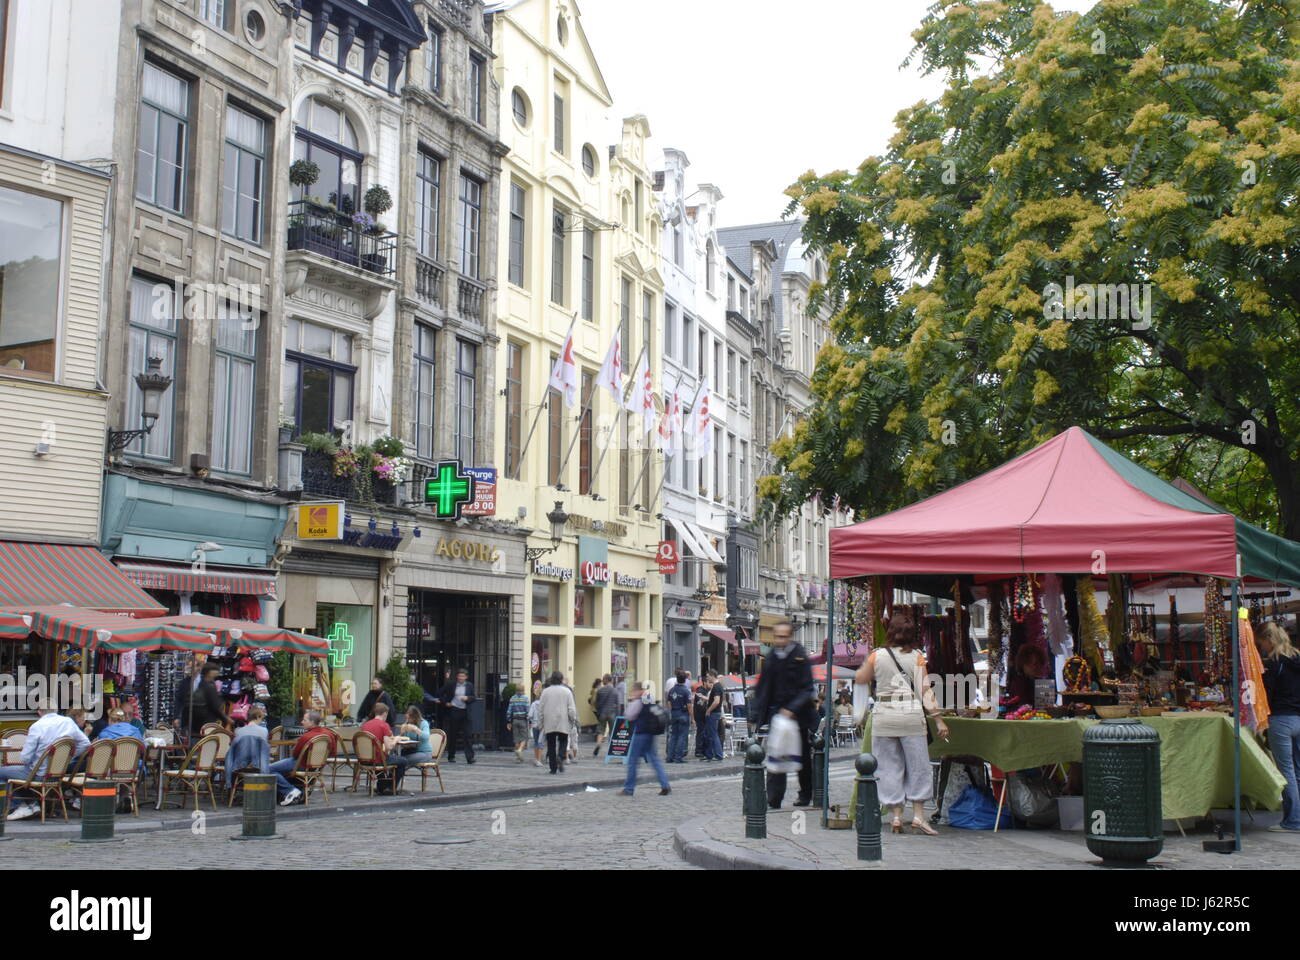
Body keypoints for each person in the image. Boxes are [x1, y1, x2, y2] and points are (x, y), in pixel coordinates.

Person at [855, 613, 948, 835]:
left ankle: (896, 817)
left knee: (888, 767)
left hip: (884, 715)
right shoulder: (917, 656)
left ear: (890, 632)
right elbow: (926, 691)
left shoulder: (877, 656)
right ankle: (918, 816)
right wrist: (938, 719)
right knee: (918, 766)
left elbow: (860, 678)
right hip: (910, 715)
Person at [752, 620, 816, 809]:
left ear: (790, 636)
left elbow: (807, 688)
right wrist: (755, 713)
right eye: (777, 636)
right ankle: (774, 798)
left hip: (799, 715)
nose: (780, 640)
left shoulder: (800, 656)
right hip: (778, 714)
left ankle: (805, 794)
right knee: (776, 752)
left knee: (803, 756)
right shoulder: (771, 656)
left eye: (784, 636)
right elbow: (763, 687)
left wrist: (793, 709)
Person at [3, 700, 91, 820]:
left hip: (39, 774)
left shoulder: (37, 726)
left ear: (39, 712)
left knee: (2, 772)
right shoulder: (68, 722)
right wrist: (68, 758)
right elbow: (85, 743)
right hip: (59, 773)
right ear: (56, 710)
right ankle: (32, 804)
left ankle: (20, 805)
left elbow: (25, 758)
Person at [1258, 621, 1300, 832]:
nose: (1262, 647)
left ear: (1268, 640)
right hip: (1299, 717)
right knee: (1298, 770)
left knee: (1287, 772)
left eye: (1262, 643)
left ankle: (1293, 820)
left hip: (1281, 719)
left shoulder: (1274, 664)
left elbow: (1268, 695)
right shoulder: (1297, 658)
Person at [272, 709, 339, 806]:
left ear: (312, 722)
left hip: (300, 764)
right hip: (317, 767)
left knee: (268, 769)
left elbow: (295, 754)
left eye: (304, 720)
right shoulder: (328, 734)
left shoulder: (306, 737)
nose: (301, 722)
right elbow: (332, 753)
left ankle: (290, 790)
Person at [620, 682, 671, 797]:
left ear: (637, 690)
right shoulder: (649, 699)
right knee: (655, 760)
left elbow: (628, 715)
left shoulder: (638, 701)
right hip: (651, 733)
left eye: (634, 691)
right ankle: (665, 785)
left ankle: (629, 789)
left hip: (640, 733)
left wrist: (632, 701)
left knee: (633, 761)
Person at [537, 671, 578, 774]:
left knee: (551, 744)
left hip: (549, 721)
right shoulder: (567, 691)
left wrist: (540, 722)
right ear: (561, 679)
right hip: (563, 721)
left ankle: (553, 768)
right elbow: (572, 709)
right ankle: (560, 756)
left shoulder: (545, 692)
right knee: (563, 741)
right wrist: (572, 720)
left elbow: (540, 708)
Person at [436, 669, 476, 764]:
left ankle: (470, 757)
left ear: (466, 677)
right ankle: (451, 756)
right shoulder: (451, 685)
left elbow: (473, 697)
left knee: (467, 735)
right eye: (459, 676)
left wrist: (467, 698)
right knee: (453, 734)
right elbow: (439, 693)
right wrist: (446, 703)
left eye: (463, 676)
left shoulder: (469, 685)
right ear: (457, 677)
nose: (461, 678)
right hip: (454, 710)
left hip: (465, 712)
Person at [391, 706, 432, 794]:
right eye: (406, 718)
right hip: (411, 750)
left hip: (424, 753)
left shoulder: (423, 723)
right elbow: (404, 737)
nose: (408, 720)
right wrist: (402, 732)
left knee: (402, 761)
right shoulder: (407, 723)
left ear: (415, 717)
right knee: (395, 760)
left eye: (409, 718)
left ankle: (392, 786)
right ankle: (388, 785)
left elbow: (426, 737)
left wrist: (415, 729)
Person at [226, 705, 270, 776]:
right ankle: (264, 777)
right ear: (258, 716)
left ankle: (229, 782)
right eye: (261, 719)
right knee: (265, 748)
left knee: (231, 751)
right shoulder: (264, 730)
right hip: (258, 765)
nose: (261, 721)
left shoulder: (238, 731)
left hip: (239, 765)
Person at [188, 664, 228, 734]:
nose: (218, 672)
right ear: (210, 672)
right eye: (216, 671)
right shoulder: (209, 686)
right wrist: (225, 718)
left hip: (196, 720)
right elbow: (215, 705)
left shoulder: (200, 683)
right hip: (206, 720)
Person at [664, 670, 692, 763]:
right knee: (682, 736)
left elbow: (668, 703)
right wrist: (692, 717)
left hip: (674, 713)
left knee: (673, 736)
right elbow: (689, 705)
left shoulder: (672, 690)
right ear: (685, 680)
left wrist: (673, 711)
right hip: (683, 714)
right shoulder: (686, 691)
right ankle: (678, 757)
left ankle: (669, 757)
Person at [593, 674, 619, 757]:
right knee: (612, 731)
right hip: (612, 713)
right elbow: (617, 704)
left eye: (603, 679)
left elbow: (597, 704)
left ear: (606, 680)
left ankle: (598, 744)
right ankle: (612, 749)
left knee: (600, 731)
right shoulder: (615, 691)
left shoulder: (600, 690)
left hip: (602, 713)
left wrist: (599, 712)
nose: (602, 681)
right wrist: (618, 715)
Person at [702, 672, 725, 761]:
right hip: (715, 713)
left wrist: (709, 710)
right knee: (710, 734)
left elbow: (716, 701)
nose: (707, 679)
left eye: (708, 677)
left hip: (714, 713)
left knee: (713, 734)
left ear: (712, 676)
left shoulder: (716, 687)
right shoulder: (717, 686)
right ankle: (710, 755)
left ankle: (718, 754)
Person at [507, 683, 531, 763]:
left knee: (516, 739)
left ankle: (518, 758)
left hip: (515, 720)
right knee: (524, 738)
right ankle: (520, 750)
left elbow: (509, 711)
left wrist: (509, 721)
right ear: (523, 690)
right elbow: (528, 711)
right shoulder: (525, 699)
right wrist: (530, 721)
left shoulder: (512, 698)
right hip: (523, 720)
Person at [692, 675, 710, 759]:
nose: (710, 684)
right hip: (700, 716)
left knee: (703, 732)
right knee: (700, 732)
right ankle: (699, 751)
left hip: (703, 715)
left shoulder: (706, 691)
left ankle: (702, 749)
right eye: (709, 682)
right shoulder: (700, 691)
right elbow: (700, 705)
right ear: (705, 682)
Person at [528, 691, 545, 767]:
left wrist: (530, 723)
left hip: (535, 725)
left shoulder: (533, 704)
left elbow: (530, 715)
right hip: (542, 725)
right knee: (540, 742)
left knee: (536, 742)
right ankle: (539, 760)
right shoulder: (545, 704)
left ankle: (536, 758)